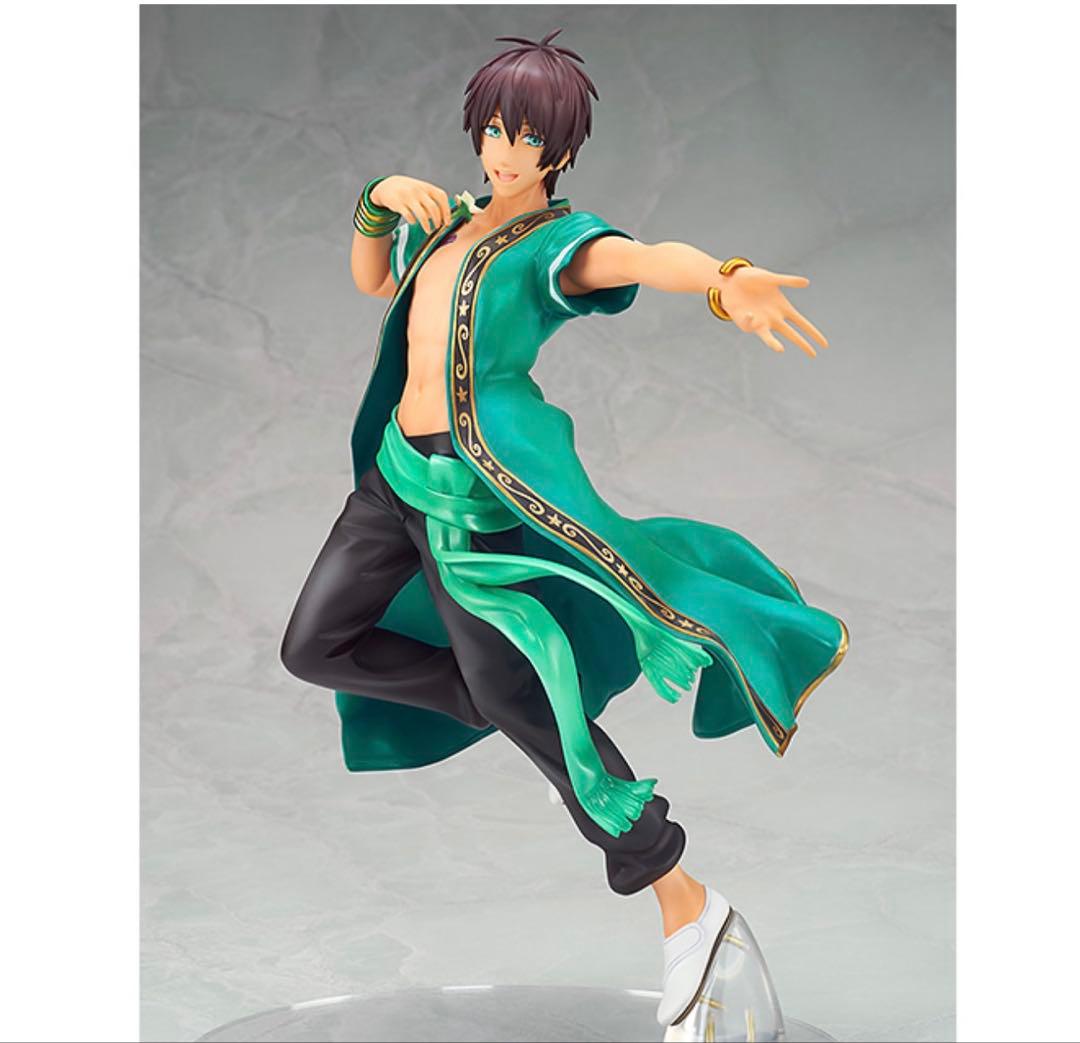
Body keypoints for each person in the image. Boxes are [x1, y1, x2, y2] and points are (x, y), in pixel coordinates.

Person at [280, 28, 848, 1032]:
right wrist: (376, 203)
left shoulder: (555, 246)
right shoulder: (449, 225)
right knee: (313, 645)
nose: (504, 151)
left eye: (526, 137)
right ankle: (505, 703)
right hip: (391, 483)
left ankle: (683, 898)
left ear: (560, 150)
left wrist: (722, 278)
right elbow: (374, 281)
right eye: (494, 130)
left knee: (526, 701)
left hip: (474, 505)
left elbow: (642, 257)